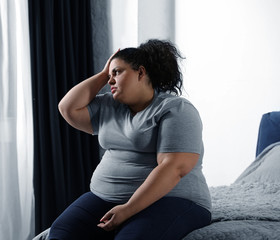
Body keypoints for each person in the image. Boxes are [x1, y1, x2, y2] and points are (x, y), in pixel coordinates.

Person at [48, 39, 212, 240]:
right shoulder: (108, 106)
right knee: (60, 233)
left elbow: (174, 168)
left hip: (172, 199)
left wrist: (126, 210)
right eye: (109, 75)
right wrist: (103, 74)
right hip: (105, 197)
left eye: (116, 72)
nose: (110, 81)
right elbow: (67, 108)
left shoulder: (176, 109)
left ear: (141, 73)